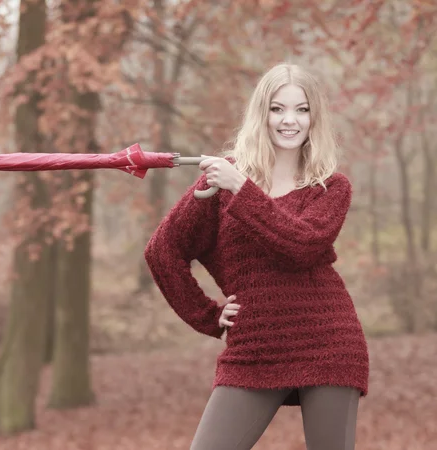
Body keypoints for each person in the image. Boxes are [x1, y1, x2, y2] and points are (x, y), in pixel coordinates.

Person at [144, 63, 369, 450]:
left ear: (315, 118)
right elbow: (162, 251)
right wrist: (209, 316)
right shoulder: (221, 181)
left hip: (328, 343)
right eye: (277, 108)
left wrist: (241, 189)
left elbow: (300, 247)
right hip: (254, 348)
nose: (289, 120)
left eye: (302, 109)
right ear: (260, 114)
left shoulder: (330, 186)